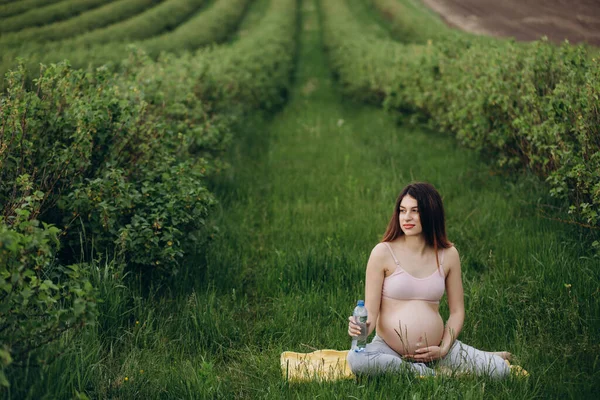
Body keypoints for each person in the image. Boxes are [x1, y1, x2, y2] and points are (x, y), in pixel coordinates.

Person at [347, 182, 511, 378]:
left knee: (502, 371)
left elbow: (457, 312)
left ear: (430, 212)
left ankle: (437, 367)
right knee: (357, 361)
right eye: (402, 210)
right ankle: (432, 374)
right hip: (389, 349)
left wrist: (443, 348)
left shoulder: (448, 254)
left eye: (415, 211)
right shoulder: (383, 252)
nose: (406, 217)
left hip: (437, 351)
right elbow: (371, 313)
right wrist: (362, 328)